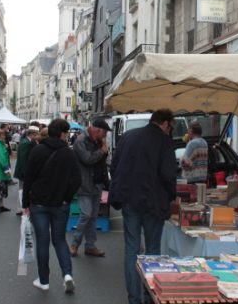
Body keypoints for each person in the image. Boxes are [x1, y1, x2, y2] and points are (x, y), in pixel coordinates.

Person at [108, 109, 177, 304]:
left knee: (131, 249)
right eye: (170, 126)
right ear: (165, 123)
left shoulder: (129, 136)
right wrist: (172, 195)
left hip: (130, 200)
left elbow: (114, 167)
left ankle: (134, 298)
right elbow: (168, 174)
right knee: (152, 250)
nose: (170, 130)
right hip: (154, 202)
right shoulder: (164, 141)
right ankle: (149, 296)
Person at [23, 118, 81, 294]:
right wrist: (67, 198)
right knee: (60, 240)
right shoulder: (68, 153)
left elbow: (29, 178)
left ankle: (44, 281)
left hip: (39, 204)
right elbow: (77, 180)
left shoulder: (38, 150)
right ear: (63, 133)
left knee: (43, 241)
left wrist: (26, 203)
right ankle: (67, 275)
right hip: (60, 205)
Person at [69, 119, 110, 257]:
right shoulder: (81, 141)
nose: (104, 136)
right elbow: (87, 159)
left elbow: (101, 163)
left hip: (97, 183)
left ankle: (90, 246)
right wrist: (102, 151)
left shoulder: (97, 141)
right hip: (85, 184)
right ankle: (74, 243)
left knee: (93, 216)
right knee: (86, 214)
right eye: (104, 133)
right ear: (97, 130)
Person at [14, 125, 42, 215]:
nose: (37, 136)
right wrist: (26, 172)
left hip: (22, 171)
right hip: (23, 172)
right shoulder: (26, 143)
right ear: (32, 134)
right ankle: (21, 209)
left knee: (21, 190)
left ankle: (20, 208)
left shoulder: (26, 142)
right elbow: (23, 159)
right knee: (22, 190)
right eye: (36, 134)